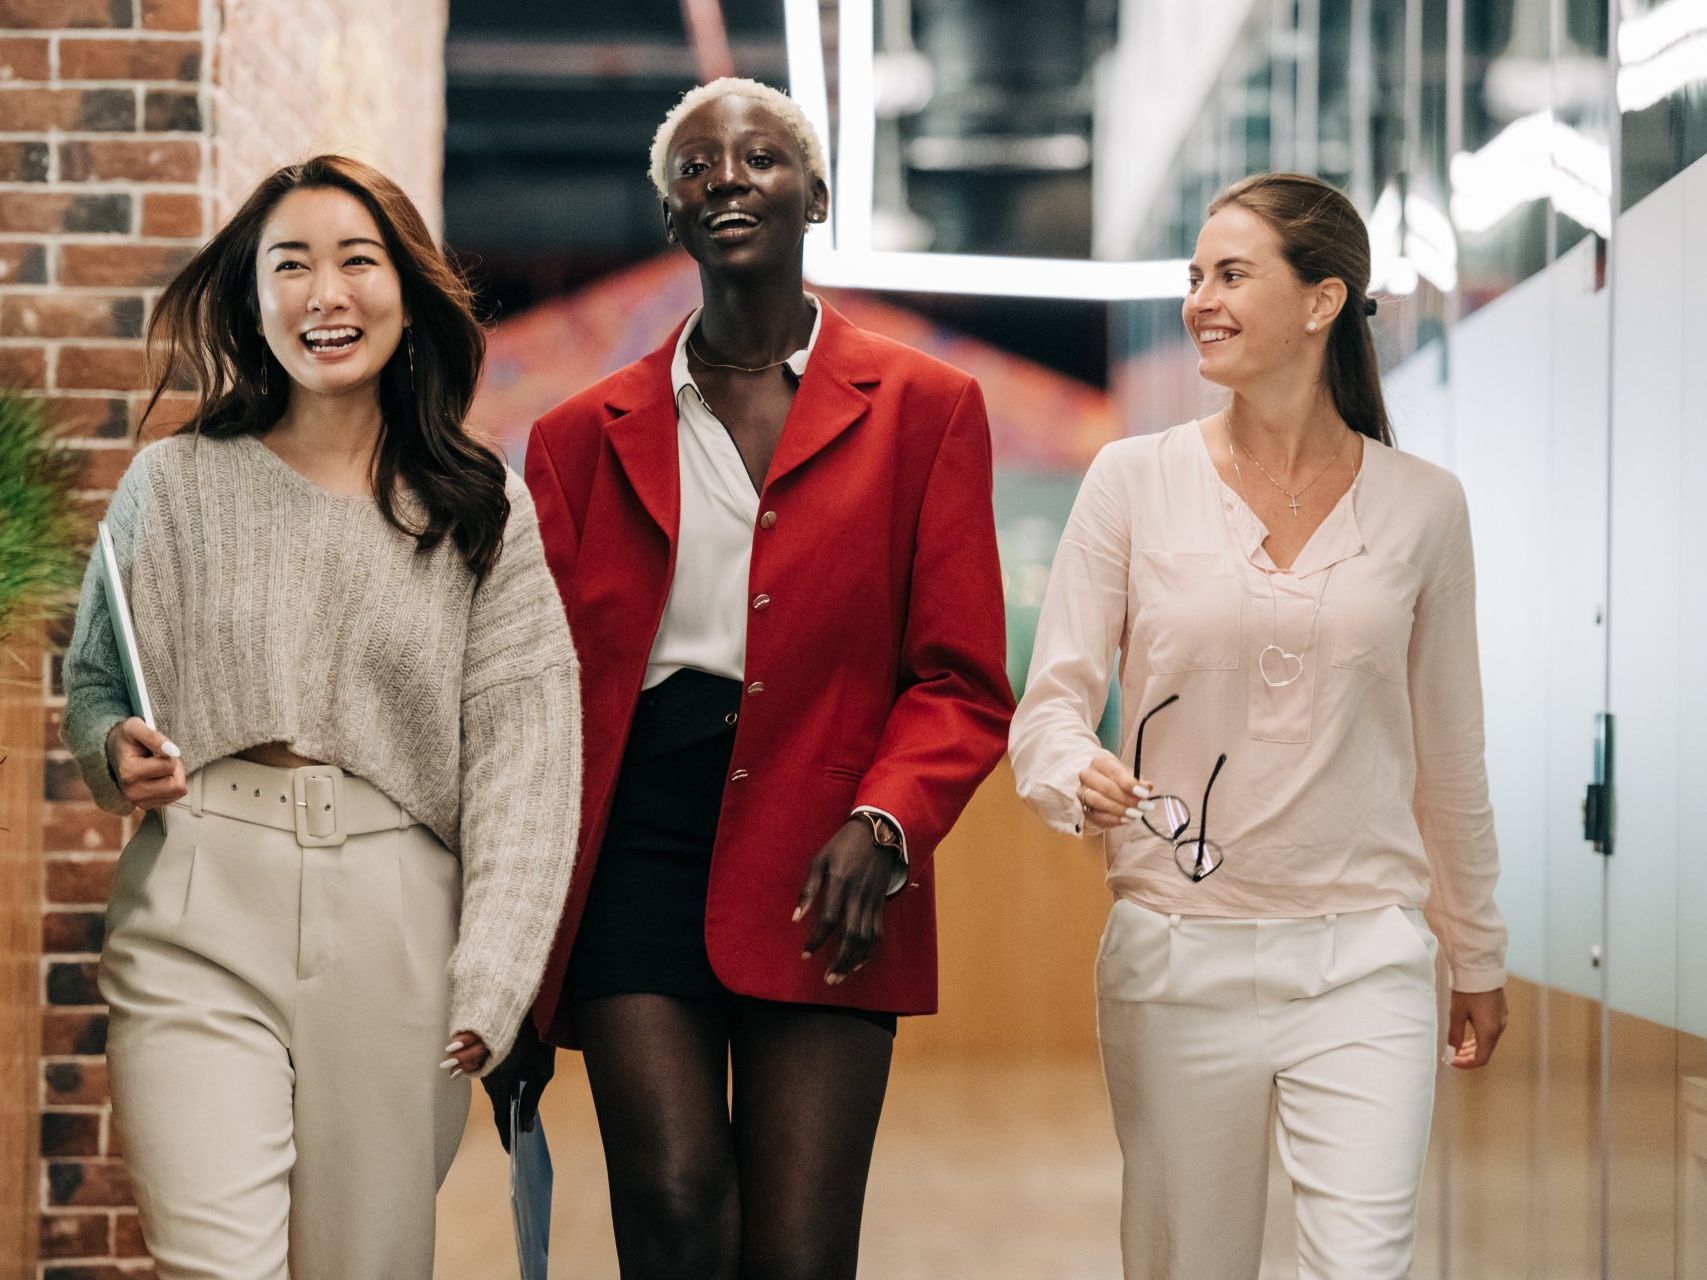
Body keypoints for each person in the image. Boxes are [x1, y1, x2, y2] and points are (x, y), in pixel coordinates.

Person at [505, 77, 1013, 1279]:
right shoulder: (577, 436)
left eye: (763, 156)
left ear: (817, 194)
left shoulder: (927, 409)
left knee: (796, 1252)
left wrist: (886, 823)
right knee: (675, 1208)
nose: (727, 175)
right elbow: (532, 694)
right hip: (635, 844)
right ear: (672, 217)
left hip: (832, 850)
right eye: (696, 165)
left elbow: (962, 678)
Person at [60, 155, 581, 1280]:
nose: (322, 293)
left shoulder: (480, 510)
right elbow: (98, 678)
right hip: (197, 894)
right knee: (214, 1262)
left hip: (400, 927)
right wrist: (116, 749)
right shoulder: (172, 482)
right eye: (287, 265)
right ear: (254, 298)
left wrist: (496, 969)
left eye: (356, 260)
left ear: (408, 286)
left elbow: (527, 762)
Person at [1008, 172, 1509, 1279]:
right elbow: (1049, 706)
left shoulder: (1427, 505)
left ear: (1323, 301)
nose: (1201, 300)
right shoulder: (1131, 481)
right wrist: (1069, 769)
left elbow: (1451, 750)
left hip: (1366, 961)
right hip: (1177, 958)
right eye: (1195, 277)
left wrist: (1474, 944)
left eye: (1232, 274)